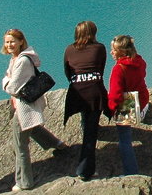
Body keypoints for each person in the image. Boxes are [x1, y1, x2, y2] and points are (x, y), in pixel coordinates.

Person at [1, 29, 64, 191]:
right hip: (23, 104)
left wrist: (5, 80)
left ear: (21, 41)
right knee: (33, 127)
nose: (9, 45)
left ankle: (24, 182)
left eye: (12, 41)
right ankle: (58, 144)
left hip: (24, 106)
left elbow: (13, 87)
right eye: (7, 42)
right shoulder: (15, 59)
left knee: (19, 145)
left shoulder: (22, 61)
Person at [63, 21, 108, 182]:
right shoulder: (100, 48)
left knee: (86, 123)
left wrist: (77, 82)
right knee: (91, 133)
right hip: (95, 92)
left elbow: (67, 71)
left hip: (77, 93)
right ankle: (85, 170)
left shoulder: (69, 49)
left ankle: (84, 166)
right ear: (93, 33)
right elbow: (101, 69)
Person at [107, 35, 149, 176]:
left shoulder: (118, 69)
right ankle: (142, 113)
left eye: (113, 50)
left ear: (122, 52)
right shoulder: (139, 61)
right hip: (141, 98)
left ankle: (131, 173)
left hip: (128, 102)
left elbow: (115, 95)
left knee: (124, 140)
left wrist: (111, 110)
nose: (111, 53)